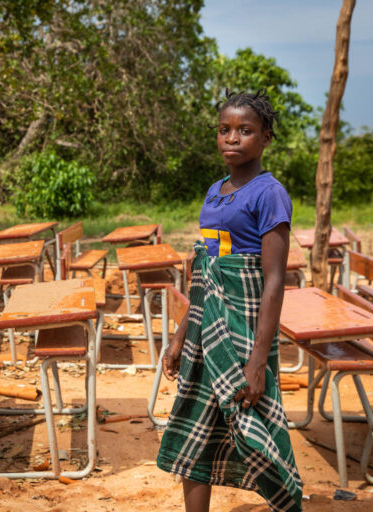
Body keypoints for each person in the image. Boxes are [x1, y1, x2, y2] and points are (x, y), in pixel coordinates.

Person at [156, 89, 302, 512]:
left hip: (245, 328)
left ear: (266, 138)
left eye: (245, 130)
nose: (232, 138)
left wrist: (259, 361)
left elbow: (273, 280)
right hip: (207, 327)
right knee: (195, 424)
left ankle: (286, 502)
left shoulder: (268, 193)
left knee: (257, 425)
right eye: (224, 130)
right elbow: (206, 273)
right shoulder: (214, 190)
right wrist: (182, 333)